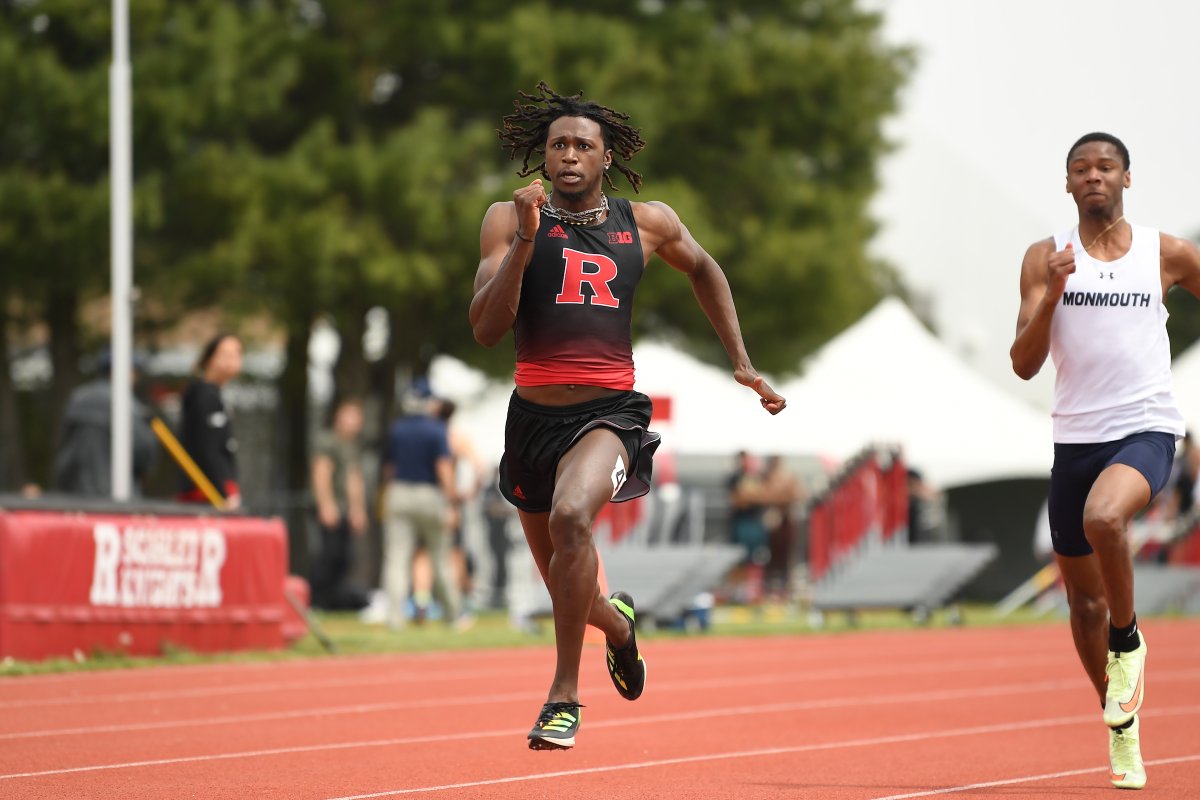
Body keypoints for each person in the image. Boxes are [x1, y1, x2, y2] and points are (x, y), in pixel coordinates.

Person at [470, 82, 786, 750]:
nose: (569, 155)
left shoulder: (647, 223)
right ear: (542, 155)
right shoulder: (507, 217)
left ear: (606, 157)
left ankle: (563, 698)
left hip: (609, 414)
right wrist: (526, 243)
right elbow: (486, 330)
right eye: (558, 144)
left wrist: (742, 360)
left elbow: (705, 269)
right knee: (568, 583)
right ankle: (617, 626)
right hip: (531, 419)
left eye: (584, 144)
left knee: (571, 520)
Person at [1010, 132, 1200, 790]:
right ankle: (1121, 729)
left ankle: (1130, 639)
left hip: (1145, 430)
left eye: (1105, 166)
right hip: (1074, 441)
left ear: (1126, 178)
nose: (1093, 176)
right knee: (1081, 606)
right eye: (1080, 169)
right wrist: (1056, 293)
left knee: (1106, 520)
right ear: (1067, 185)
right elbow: (1024, 362)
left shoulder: (1165, 252)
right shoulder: (1046, 258)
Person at [378, 388, 464, 630]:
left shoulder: (396, 429)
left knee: (396, 559)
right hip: (429, 495)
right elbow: (443, 469)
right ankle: (453, 615)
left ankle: (394, 619)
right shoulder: (436, 429)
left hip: (398, 492)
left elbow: (389, 469)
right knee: (440, 557)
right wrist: (452, 502)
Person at [54, 351, 156, 497]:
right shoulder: (128, 404)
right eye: (134, 371)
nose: (136, 378)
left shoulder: (78, 398)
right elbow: (144, 452)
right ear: (117, 370)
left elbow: (64, 447)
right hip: (117, 494)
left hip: (75, 494)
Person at [309, 397, 370, 611]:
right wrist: (326, 504)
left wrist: (358, 509)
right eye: (349, 417)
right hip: (332, 507)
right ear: (338, 417)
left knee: (345, 558)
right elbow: (321, 473)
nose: (353, 422)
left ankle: (331, 601)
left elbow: (354, 480)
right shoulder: (328, 441)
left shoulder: (351, 447)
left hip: (346, 509)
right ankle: (315, 600)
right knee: (329, 555)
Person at [177, 333, 243, 509]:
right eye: (226, 355)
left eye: (237, 354)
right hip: (205, 494)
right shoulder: (205, 396)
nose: (232, 361)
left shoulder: (213, 395)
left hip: (209, 491)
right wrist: (225, 490)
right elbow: (208, 447)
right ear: (209, 359)